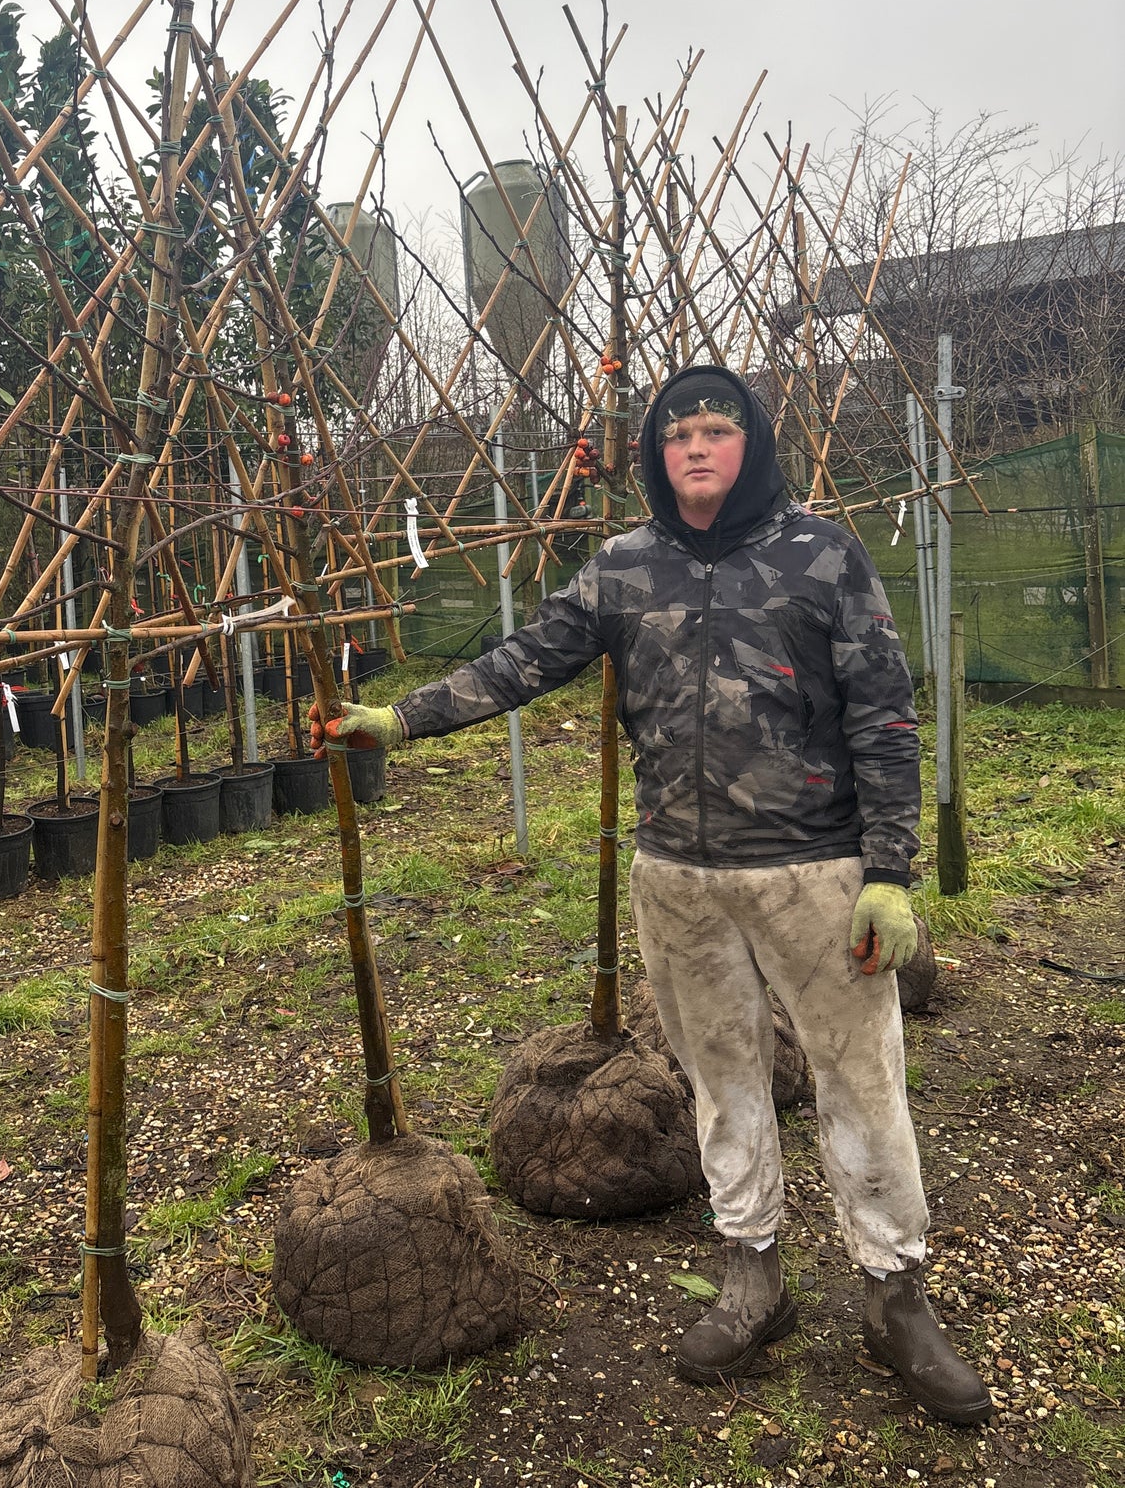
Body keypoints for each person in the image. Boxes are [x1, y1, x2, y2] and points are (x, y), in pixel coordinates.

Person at [311, 364, 991, 1426]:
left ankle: (892, 1294)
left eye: (716, 429)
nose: (695, 447)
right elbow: (526, 660)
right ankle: (751, 1273)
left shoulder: (821, 555)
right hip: (678, 877)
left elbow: (882, 710)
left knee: (859, 1080)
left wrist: (891, 870)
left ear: (750, 443)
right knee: (720, 1080)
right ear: (654, 455)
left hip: (812, 871)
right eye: (676, 434)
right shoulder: (624, 568)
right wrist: (399, 721)